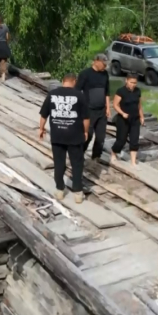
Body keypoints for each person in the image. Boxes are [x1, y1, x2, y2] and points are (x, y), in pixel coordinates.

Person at [39, 73, 90, 203]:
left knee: (59, 163)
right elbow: (85, 118)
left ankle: (60, 190)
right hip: (75, 135)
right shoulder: (79, 95)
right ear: (74, 81)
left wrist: (41, 129)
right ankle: (78, 193)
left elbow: (44, 114)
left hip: (57, 135)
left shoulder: (52, 94)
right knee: (77, 164)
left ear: (63, 81)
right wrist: (85, 131)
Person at [76, 54, 111, 161]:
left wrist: (108, 107)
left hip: (102, 110)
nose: (104, 66)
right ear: (96, 61)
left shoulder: (105, 74)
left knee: (101, 137)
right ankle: (79, 154)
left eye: (106, 64)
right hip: (89, 110)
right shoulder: (85, 74)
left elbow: (107, 92)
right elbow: (77, 91)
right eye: (103, 64)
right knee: (88, 135)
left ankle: (96, 157)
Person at [110, 73, 144, 166]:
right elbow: (115, 105)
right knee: (121, 140)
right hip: (123, 119)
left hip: (135, 119)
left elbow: (139, 105)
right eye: (131, 82)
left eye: (135, 83)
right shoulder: (121, 91)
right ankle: (113, 153)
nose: (133, 84)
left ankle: (133, 162)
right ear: (126, 81)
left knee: (134, 140)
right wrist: (122, 113)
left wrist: (141, 117)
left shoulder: (138, 91)